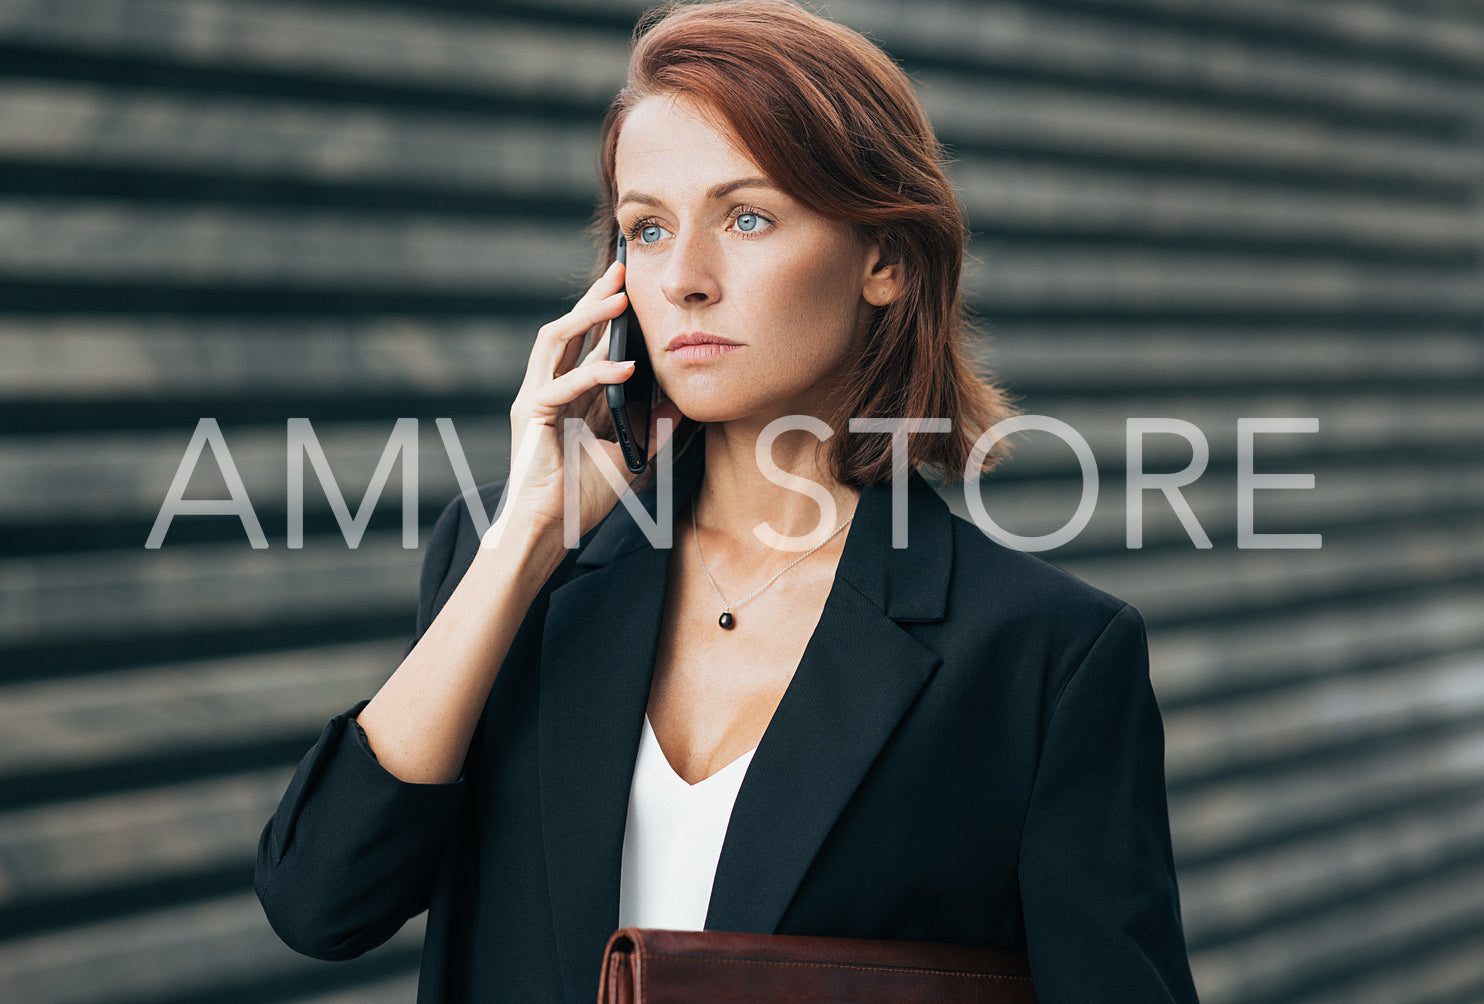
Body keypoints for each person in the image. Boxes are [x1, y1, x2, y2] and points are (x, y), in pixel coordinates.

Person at [255, 2, 1200, 1001]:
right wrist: (527, 538)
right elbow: (320, 899)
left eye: (747, 217)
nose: (683, 281)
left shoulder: (1043, 655)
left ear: (882, 259)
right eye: (646, 229)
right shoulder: (509, 557)